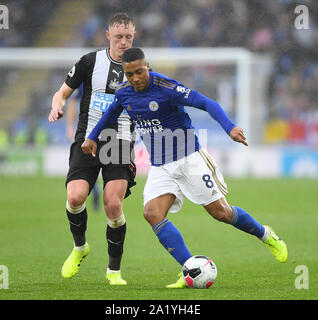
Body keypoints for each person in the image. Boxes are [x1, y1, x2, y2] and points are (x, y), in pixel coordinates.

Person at [81, 48, 288, 288]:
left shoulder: (167, 88)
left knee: (221, 213)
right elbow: (111, 114)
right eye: (129, 74)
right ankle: (189, 268)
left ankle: (266, 234)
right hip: (161, 166)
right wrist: (93, 137)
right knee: (152, 214)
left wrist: (229, 127)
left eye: (139, 71)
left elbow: (206, 103)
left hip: (190, 159)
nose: (135, 78)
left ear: (147, 66)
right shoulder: (125, 93)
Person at [48, 13, 137, 285]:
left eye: (129, 37)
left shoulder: (140, 68)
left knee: (112, 204)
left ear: (134, 37)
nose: (124, 42)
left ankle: (113, 271)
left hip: (120, 143)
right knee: (75, 198)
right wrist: (57, 105)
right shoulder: (89, 62)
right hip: (87, 141)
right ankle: (80, 247)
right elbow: (62, 92)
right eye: (119, 37)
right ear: (108, 35)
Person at [66, 86, 101, 211]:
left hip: (108, 132)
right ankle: (95, 191)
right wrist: (70, 126)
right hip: (85, 133)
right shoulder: (84, 80)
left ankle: (99, 192)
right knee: (87, 165)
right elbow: (73, 102)